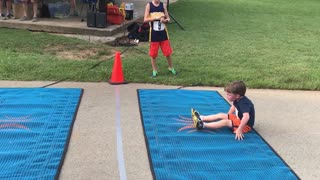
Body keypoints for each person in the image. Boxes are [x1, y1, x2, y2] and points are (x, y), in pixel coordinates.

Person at [143, 0, 177, 77]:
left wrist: (165, 20)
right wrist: (156, 18)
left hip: (163, 33)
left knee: (167, 52)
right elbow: (145, 19)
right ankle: (155, 70)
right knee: (153, 54)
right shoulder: (149, 5)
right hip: (154, 34)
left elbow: (168, 18)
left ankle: (171, 67)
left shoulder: (163, 5)